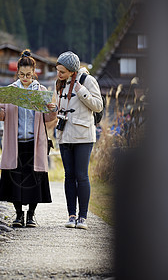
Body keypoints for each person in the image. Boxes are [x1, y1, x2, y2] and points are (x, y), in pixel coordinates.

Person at [0, 49, 57, 228]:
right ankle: (18, 215)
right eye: (22, 74)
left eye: (28, 74)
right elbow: (1, 116)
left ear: (34, 73)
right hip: (15, 142)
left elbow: (49, 119)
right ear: (17, 73)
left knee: (35, 180)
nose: (25, 77)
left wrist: (52, 110)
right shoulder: (10, 91)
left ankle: (31, 215)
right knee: (14, 180)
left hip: (35, 142)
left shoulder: (41, 91)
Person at [55, 51, 103, 230]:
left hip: (83, 136)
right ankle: (71, 215)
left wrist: (81, 92)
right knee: (69, 176)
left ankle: (83, 217)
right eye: (58, 70)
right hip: (64, 134)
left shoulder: (88, 81)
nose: (59, 75)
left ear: (72, 70)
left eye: (62, 72)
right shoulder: (59, 83)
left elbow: (98, 106)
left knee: (81, 176)